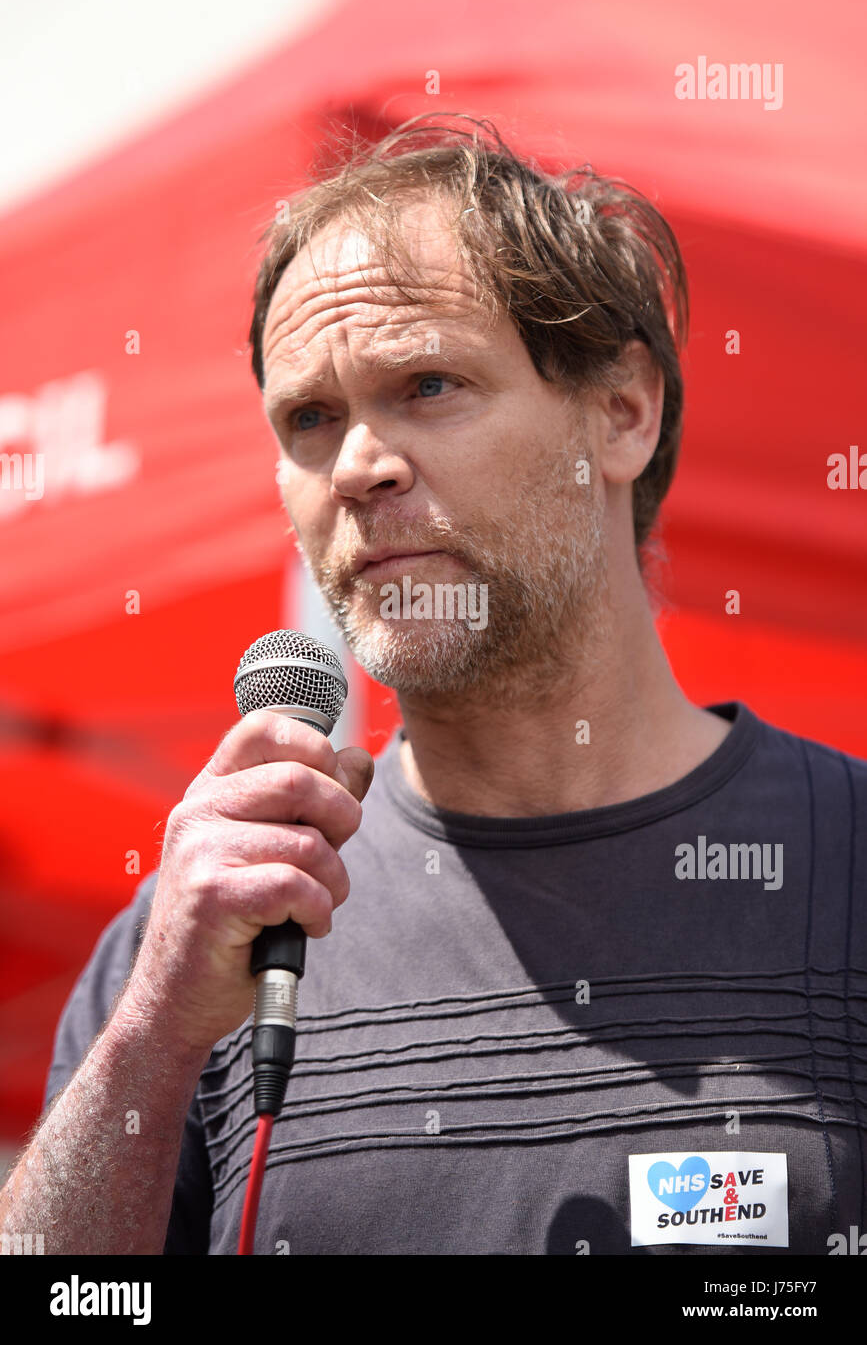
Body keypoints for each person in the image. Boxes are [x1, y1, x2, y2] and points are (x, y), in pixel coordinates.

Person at [2, 113, 865, 1255]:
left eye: (427, 383)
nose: (358, 463)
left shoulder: (846, 863)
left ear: (622, 411)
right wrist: (155, 1037)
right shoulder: (208, 927)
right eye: (309, 417)